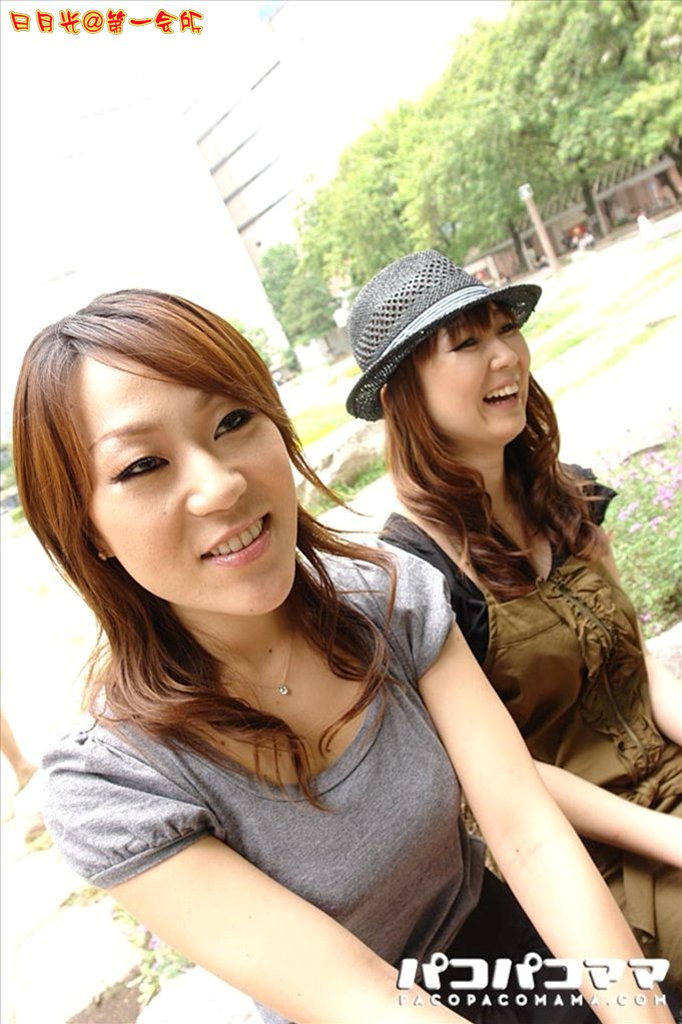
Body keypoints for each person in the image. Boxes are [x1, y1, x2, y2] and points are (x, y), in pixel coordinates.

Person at [13, 289, 675, 1024]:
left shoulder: (391, 598)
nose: (221, 485)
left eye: (232, 422)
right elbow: (362, 995)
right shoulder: (115, 785)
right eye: (143, 466)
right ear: (86, 528)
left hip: (511, 956)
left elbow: (527, 834)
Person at [344, 250, 682, 992]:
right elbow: (503, 783)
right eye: (467, 343)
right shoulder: (417, 580)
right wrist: (671, 837)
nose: (506, 356)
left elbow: (638, 664)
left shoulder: (566, 496)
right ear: (404, 395)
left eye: (505, 328)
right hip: (593, 856)